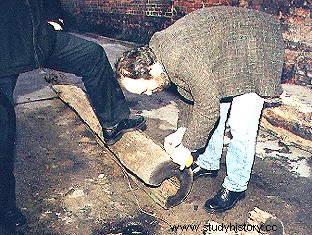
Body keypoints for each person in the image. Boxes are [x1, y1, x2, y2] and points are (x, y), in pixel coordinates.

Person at [115, 6, 285, 213]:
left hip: (255, 45)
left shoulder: (180, 58)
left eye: (145, 89)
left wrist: (187, 146)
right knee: (213, 105)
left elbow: (207, 108)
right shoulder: (158, 55)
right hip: (228, 51)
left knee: (242, 125)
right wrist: (182, 130)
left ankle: (236, 186)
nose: (149, 95)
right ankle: (209, 162)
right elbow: (190, 93)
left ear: (151, 70)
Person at [0, 1, 145, 233]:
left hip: (39, 38)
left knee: (92, 54)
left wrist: (54, 18)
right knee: (4, 132)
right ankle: (5, 208)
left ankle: (114, 121)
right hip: (5, 48)